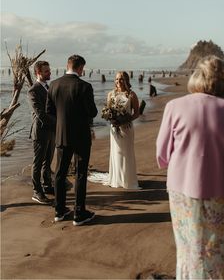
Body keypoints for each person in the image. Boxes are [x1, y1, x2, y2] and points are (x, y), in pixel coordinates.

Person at [156, 57, 224, 279]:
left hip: (181, 190)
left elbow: (162, 155)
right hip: (221, 189)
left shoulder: (174, 106)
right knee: (218, 248)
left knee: (188, 247)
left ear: (196, 76)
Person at [46, 54, 98, 225]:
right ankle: (79, 213)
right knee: (80, 173)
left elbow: (49, 111)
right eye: (83, 68)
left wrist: (62, 123)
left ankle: (59, 211)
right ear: (80, 67)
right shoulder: (84, 86)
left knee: (60, 173)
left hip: (62, 135)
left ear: (67, 65)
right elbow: (92, 112)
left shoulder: (54, 85)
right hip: (81, 136)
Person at [28, 60, 56, 204]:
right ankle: (36, 191)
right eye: (46, 71)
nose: (49, 72)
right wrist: (57, 121)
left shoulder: (49, 87)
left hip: (51, 131)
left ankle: (47, 186)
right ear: (38, 73)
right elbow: (40, 113)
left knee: (48, 161)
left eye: (49, 70)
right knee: (38, 163)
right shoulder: (33, 90)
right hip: (40, 131)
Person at [107, 71, 140, 189]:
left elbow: (137, 113)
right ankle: (117, 179)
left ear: (126, 80)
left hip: (127, 129)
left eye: (121, 79)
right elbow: (108, 111)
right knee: (116, 152)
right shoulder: (111, 94)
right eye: (116, 79)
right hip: (114, 128)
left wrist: (127, 119)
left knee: (127, 153)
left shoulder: (131, 95)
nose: (118, 81)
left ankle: (128, 180)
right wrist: (112, 120)